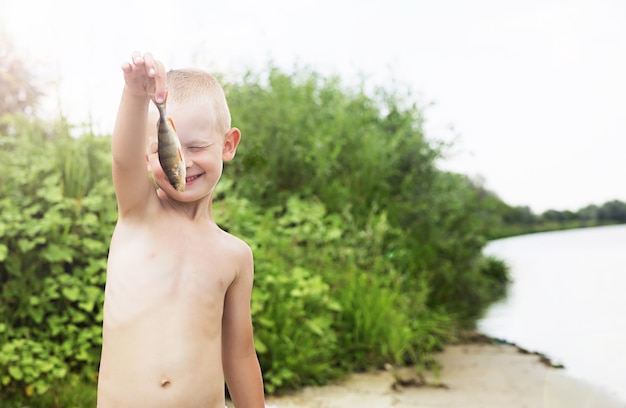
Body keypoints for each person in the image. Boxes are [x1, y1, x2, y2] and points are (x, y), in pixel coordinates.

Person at [97, 51, 266, 408]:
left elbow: (239, 356)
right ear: (147, 156)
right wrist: (136, 94)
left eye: (197, 146)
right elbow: (122, 158)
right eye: (165, 149)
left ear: (228, 144)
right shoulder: (138, 214)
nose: (182, 162)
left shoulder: (234, 255)